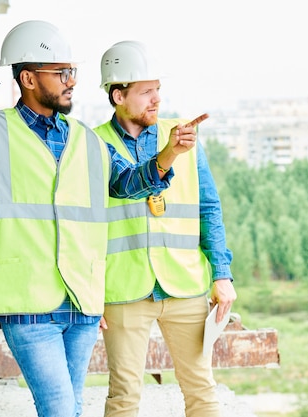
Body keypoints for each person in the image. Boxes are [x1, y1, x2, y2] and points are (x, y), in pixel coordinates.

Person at [0, 22, 200, 417]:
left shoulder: (87, 139)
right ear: (28, 78)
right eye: (61, 73)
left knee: (73, 408)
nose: (71, 82)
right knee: (61, 409)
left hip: (81, 304)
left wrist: (169, 153)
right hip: (25, 303)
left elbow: (129, 183)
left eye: (73, 72)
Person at [93, 40, 237, 417]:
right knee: (123, 396)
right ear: (118, 95)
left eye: (158, 90)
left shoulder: (183, 134)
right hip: (124, 289)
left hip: (184, 284)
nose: (156, 99)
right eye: (145, 92)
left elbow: (209, 208)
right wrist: (89, 291)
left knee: (201, 389)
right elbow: (122, 187)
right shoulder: (94, 144)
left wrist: (222, 275)